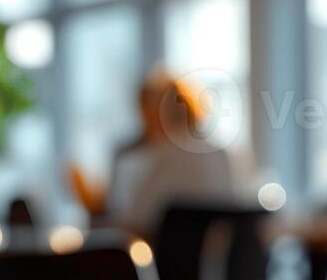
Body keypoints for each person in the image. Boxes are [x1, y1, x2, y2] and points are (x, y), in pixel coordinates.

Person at [71, 74, 237, 237]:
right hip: (220, 263)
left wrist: (96, 213)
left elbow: (134, 223)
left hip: (166, 262)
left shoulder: (166, 159)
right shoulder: (221, 155)